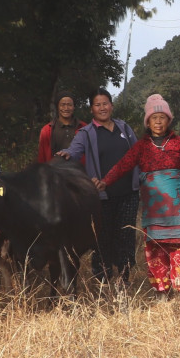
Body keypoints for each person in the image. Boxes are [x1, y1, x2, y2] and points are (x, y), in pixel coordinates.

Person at [96, 95, 180, 296]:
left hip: (179, 206)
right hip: (154, 209)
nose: (158, 122)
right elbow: (123, 165)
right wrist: (105, 181)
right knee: (156, 247)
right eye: (154, 118)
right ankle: (161, 290)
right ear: (148, 122)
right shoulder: (142, 146)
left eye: (162, 117)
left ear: (169, 120)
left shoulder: (179, 143)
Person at [58, 89, 140, 284]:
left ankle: (124, 276)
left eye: (105, 103)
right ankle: (102, 278)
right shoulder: (86, 133)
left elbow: (138, 153)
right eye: (98, 104)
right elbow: (74, 151)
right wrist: (66, 154)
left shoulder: (124, 128)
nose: (102, 108)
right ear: (91, 109)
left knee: (126, 234)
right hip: (101, 195)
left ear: (111, 105)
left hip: (128, 193)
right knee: (102, 237)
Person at [37, 91, 86, 163]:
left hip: (79, 172)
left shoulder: (84, 128)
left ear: (74, 107)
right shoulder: (47, 130)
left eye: (69, 105)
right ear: (57, 107)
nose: (66, 108)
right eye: (63, 105)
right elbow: (42, 156)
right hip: (54, 172)